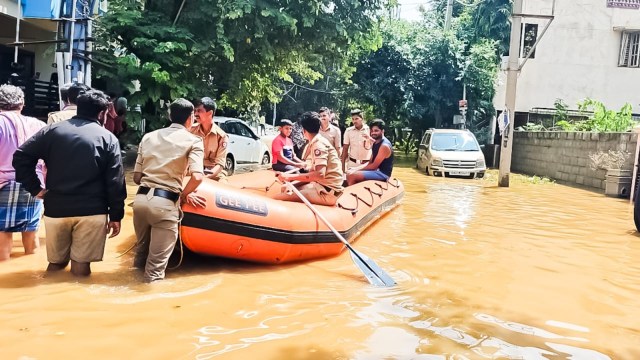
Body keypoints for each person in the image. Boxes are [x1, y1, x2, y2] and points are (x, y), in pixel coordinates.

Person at [13, 89, 126, 276]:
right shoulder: (108, 138)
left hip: (56, 208)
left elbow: (21, 157)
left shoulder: (51, 131)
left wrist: (36, 189)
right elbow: (115, 181)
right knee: (81, 266)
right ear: (102, 113)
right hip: (92, 210)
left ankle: (48, 298)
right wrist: (116, 215)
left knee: (56, 264)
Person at [132, 98, 206, 282]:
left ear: (169, 115)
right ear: (190, 118)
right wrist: (183, 195)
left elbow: (136, 177)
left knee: (139, 258)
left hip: (140, 202)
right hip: (165, 204)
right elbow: (197, 177)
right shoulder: (194, 141)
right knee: (155, 272)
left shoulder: (148, 137)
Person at [0, 85, 46, 261]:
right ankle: (32, 275)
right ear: (22, 103)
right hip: (34, 185)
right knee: (31, 234)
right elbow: (47, 160)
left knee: (3, 236)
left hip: (3, 183)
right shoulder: (39, 124)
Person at [275, 111, 343, 206]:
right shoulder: (317, 141)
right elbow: (314, 174)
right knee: (285, 188)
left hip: (326, 192)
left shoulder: (318, 145)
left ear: (304, 130)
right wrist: (291, 182)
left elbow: (319, 174)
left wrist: (289, 177)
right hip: (321, 186)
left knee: (276, 199)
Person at [189, 97, 228, 182]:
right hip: (193, 170)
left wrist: (204, 177)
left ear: (210, 113)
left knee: (223, 187)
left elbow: (219, 165)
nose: (195, 114)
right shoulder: (190, 130)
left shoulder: (221, 136)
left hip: (213, 172)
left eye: (199, 111)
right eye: (195, 111)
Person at [346, 119, 394, 186]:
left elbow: (374, 166)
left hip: (382, 174)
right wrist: (355, 168)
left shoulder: (384, 146)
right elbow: (370, 162)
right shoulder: (376, 142)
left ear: (382, 131)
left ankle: (352, 194)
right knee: (350, 171)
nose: (373, 133)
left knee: (351, 175)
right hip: (375, 171)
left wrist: (355, 170)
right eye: (372, 131)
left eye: (376, 131)